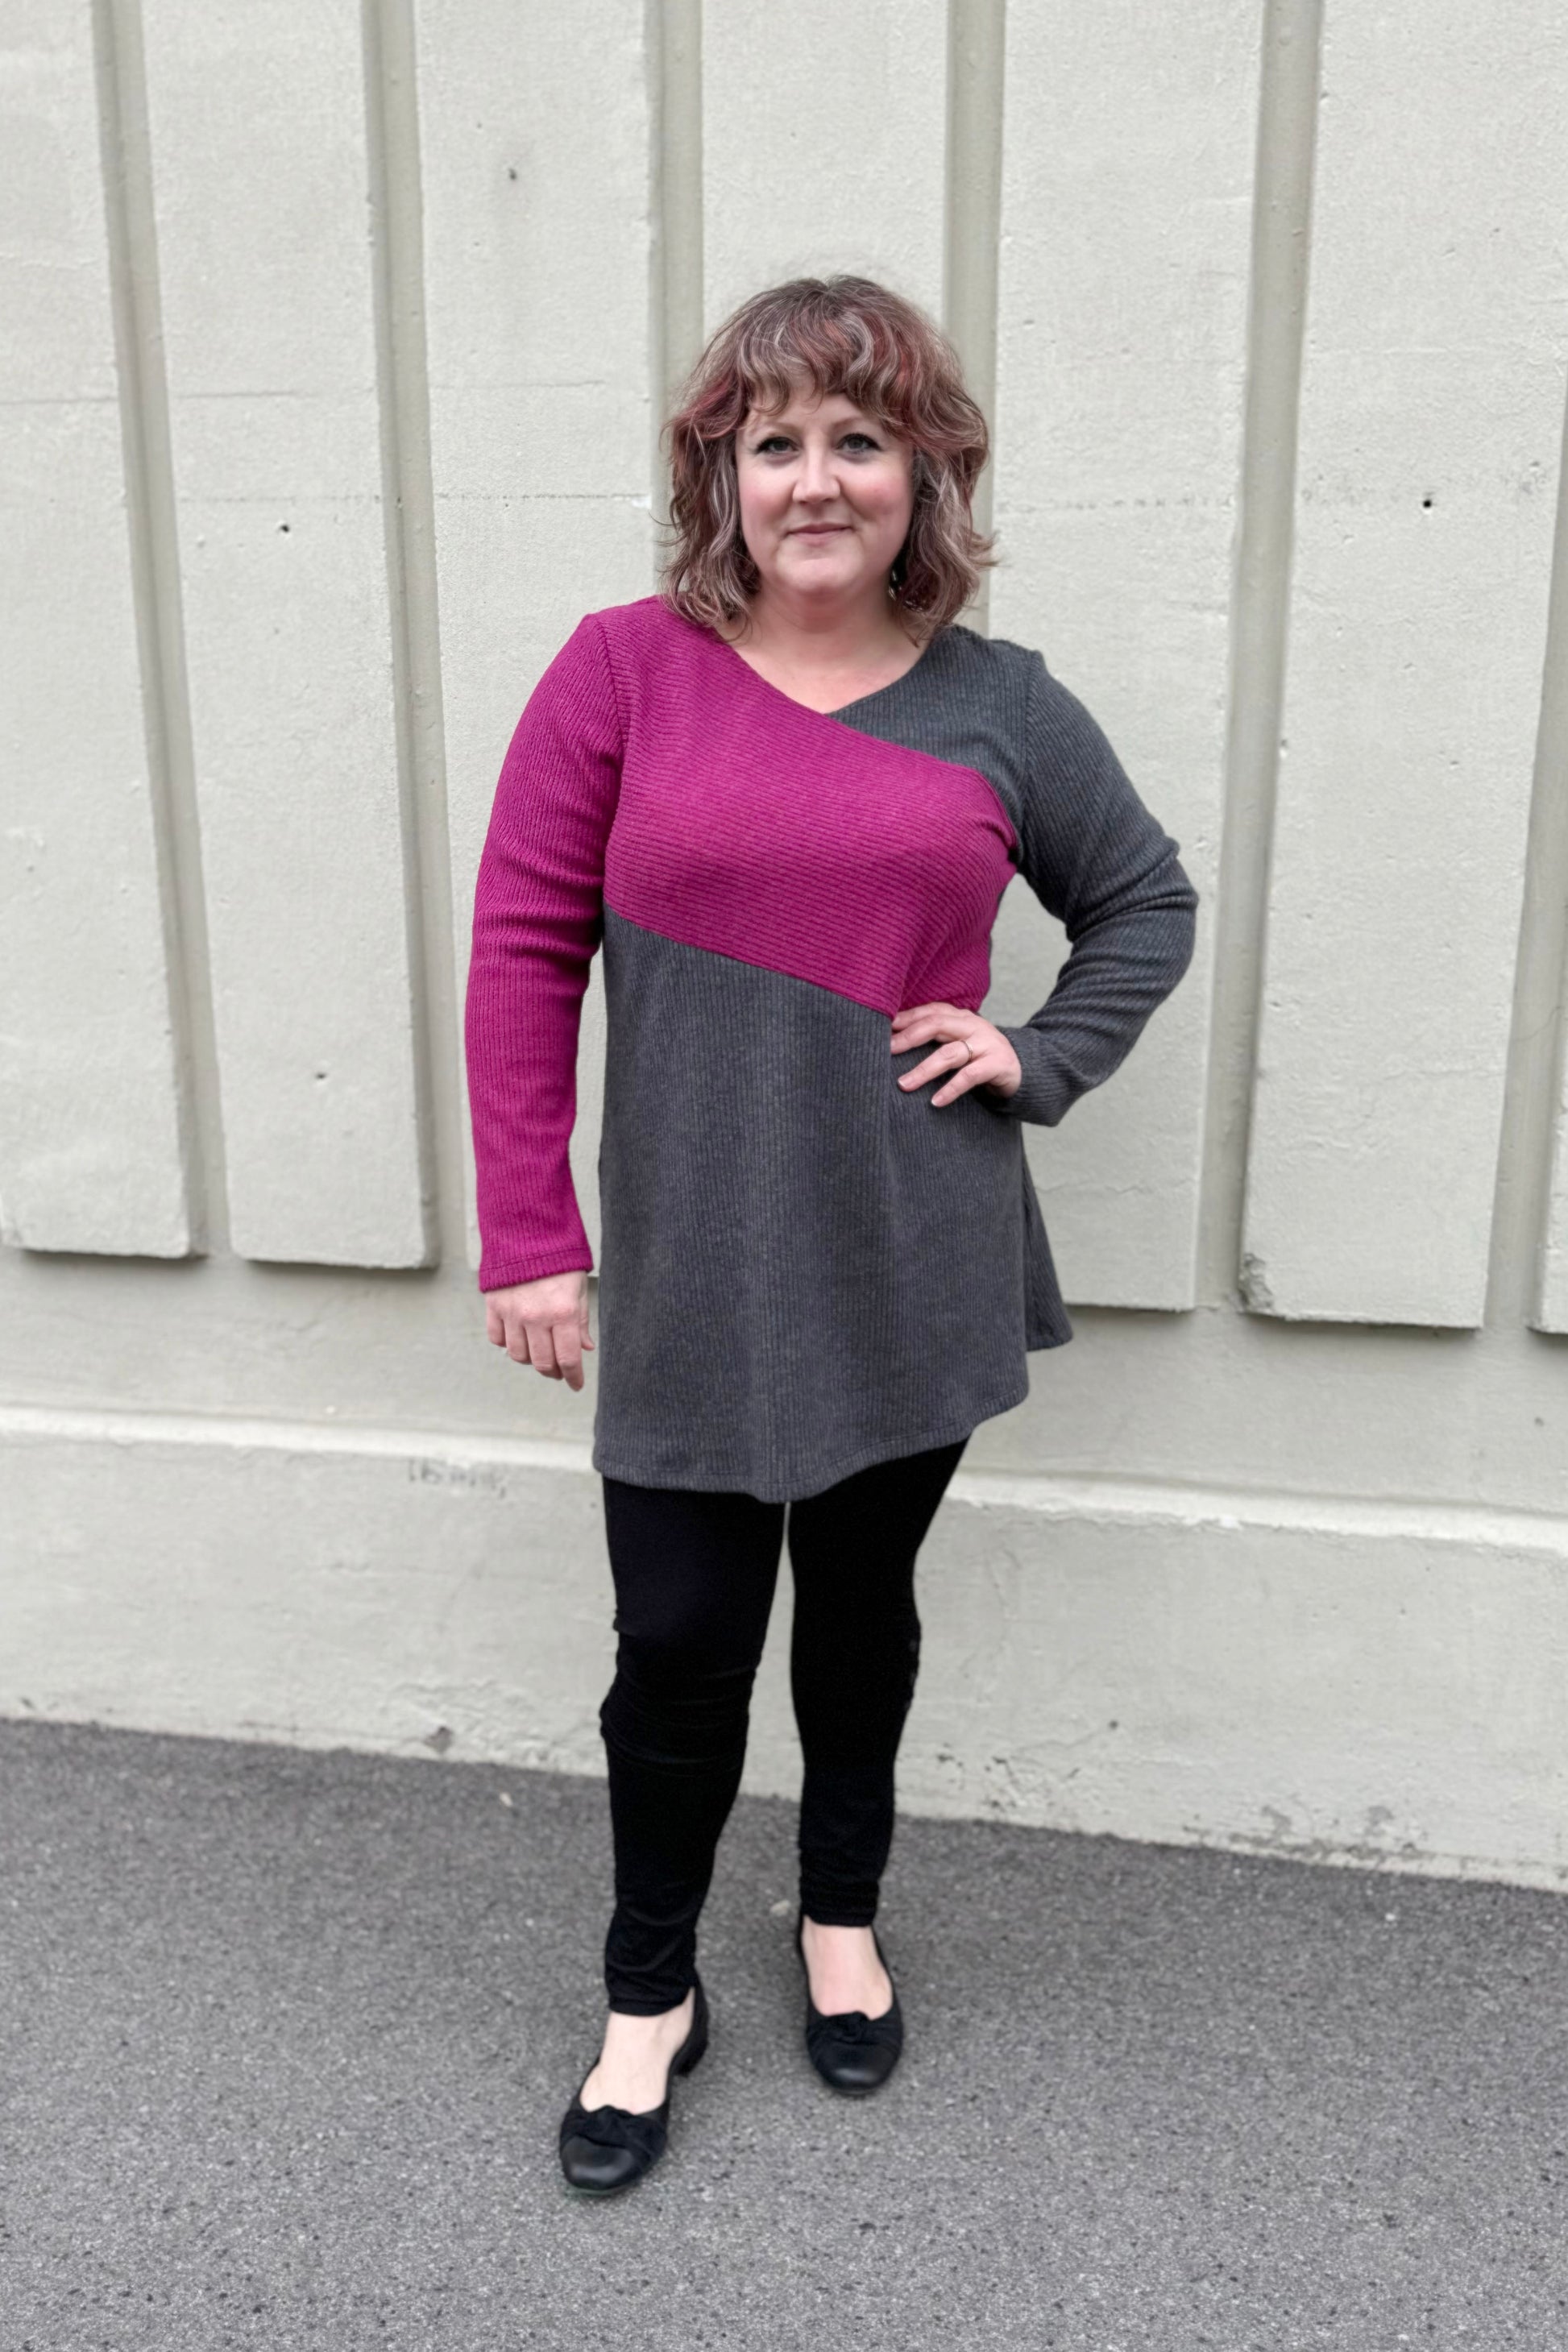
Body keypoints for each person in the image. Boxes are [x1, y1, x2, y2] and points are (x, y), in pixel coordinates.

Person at [463, 274, 1200, 2196]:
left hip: (908, 1241)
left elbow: (1142, 900)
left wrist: (1033, 1053)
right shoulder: (622, 667)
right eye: (771, 439)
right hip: (695, 1253)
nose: (815, 478)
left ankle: (838, 1918)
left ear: (921, 472)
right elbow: (524, 951)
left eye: (857, 439)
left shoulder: (1000, 701)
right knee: (681, 1637)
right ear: (719, 470)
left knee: (859, 1620)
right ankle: (648, 1996)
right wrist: (531, 1233)